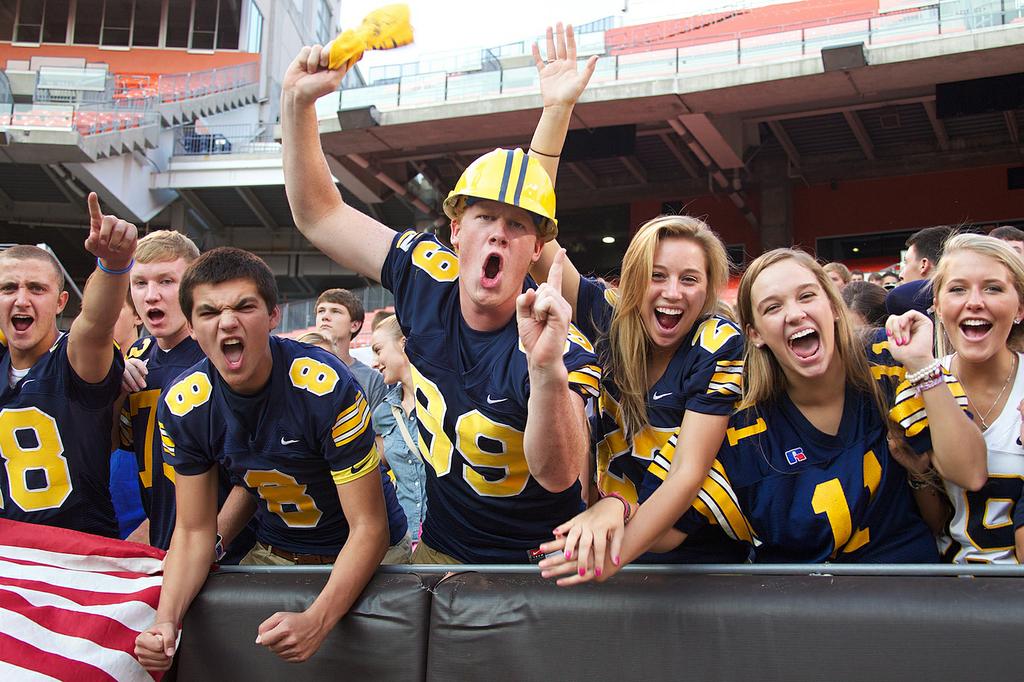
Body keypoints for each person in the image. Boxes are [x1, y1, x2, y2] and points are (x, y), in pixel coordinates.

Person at [280, 24, 600, 564]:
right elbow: (319, 215)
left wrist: (546, 370)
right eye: (484, 218)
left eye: (517, 226)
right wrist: (297, 105)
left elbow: (559, 473)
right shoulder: (425, 274)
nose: (498, 234)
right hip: (440, 551)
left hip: (539, 569)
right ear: (455, 232)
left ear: (537, 249)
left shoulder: (555, 342)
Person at [540, 249, 986, 579]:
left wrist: (924, 368)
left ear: (833, 307)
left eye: (807, 296)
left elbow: (970, 472)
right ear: (753, 333)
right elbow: (668, 529)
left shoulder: (888, 362)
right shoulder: (738, 425)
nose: (794, 314)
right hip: (797, 621)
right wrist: (614, 509)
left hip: (909, 601)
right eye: (773, 307)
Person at [135, 248, 406, 670]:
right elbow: (193, 530)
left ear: (273, 315)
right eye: (209, 312)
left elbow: (370, 527)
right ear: (191, 326)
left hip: (371, 552)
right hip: (275, 551)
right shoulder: (184, 405)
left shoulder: (326, 387)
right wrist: (164, 623)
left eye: (244, 306)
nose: (227, 322)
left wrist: (317, 620)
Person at [529, 214, 748, 574]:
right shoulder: (609, 320)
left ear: (709, 288)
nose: (673, 292)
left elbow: (687, 473)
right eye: (656, 275)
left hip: (699, 560)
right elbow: (533, 230)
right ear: (633, 279)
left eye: (689, 279)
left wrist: (608, 558)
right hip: (611, 540)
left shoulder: (717, 342)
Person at [0, 194, 134, 537]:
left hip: (74, 555)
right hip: (10, 555)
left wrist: (114, 263)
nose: (21, 299)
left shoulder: (73, 358)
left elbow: (96, 323)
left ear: (61, 302)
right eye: (8, 288)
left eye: (36, 289)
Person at [118, 230, 256, 562]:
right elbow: (123, 444)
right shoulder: (137, 356)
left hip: (227, 556)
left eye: (166, 281)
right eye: (140, 283)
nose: (152, 295)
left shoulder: (221, 357)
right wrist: (113, 389)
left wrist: (210, 545)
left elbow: (254, 474)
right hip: (167, 547)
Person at [930, 234, 1024, 562]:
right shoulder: (916, 384)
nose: (974, 302)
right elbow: (929, 523)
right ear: (938, 306)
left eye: (993, 288)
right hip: (945, 586)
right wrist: (917, 473)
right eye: (958, 289)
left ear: (1020, 308)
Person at [370, 314, 429, 548]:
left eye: (378, 350)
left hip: (444, 538)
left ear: (403, 343)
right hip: (403, 537)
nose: (375, 362)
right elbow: (377, 472)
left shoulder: (443, 401)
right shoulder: (383, 413)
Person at [315, 288, 387, 410]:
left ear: (354, 325)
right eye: (321, 311)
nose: (325, 317)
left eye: (335, 311)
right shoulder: (297, 365)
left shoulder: (372, 379)